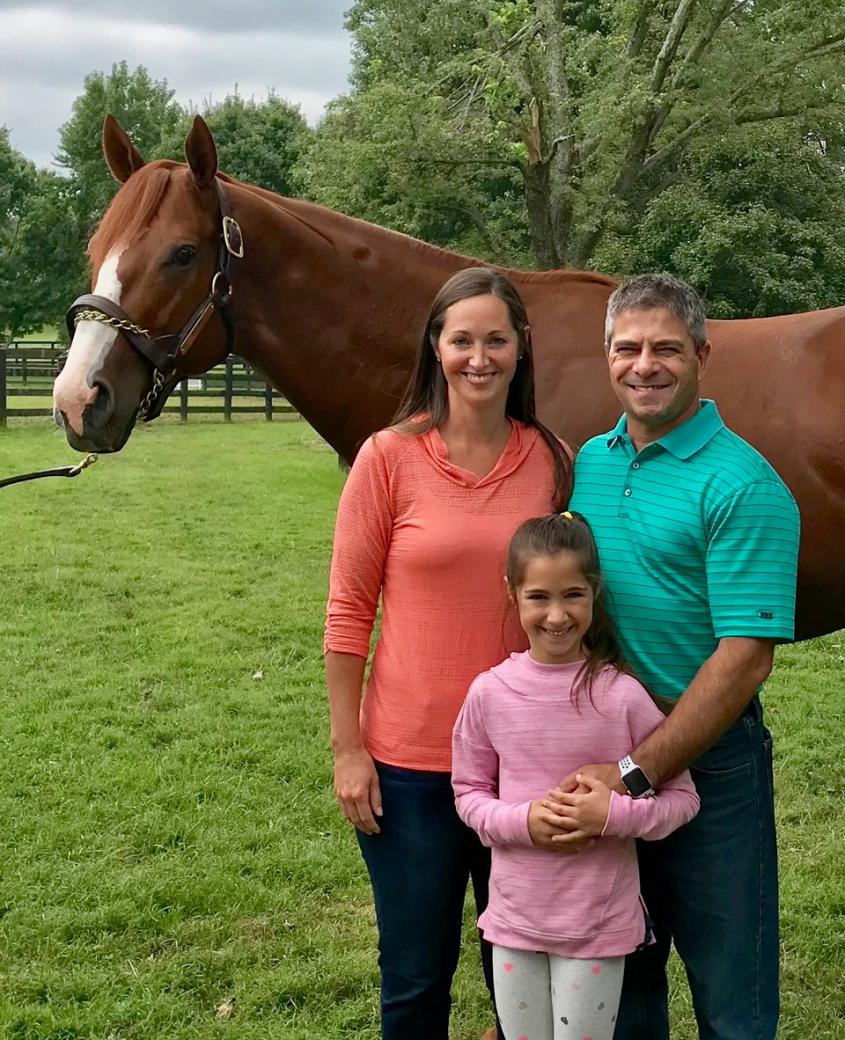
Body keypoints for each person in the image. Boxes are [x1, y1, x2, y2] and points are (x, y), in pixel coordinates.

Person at [324, 267, 574, 1040]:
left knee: (524, 983)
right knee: (414, 979)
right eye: (460, 338)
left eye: (495, 339)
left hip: (525, 767)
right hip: (410, 771)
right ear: (435, 347)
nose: (478, 356)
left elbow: (576, 598)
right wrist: (348, 750)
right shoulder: (387, 458)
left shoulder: (553, 460)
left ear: (519, 349)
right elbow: (346, 614)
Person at [561, 273, 800, 1040]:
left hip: (707, 761)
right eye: (626, 348)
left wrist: (639, 772)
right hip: (602, 753)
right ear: (605, 357)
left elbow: (744, 658)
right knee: (623, 986)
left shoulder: (743, 483)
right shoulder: (590, 464)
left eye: (666, 348)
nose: (644, 365)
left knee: (730, 994)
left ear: (701, 354)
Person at [452, 511, 700, 1040]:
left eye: (573, 595)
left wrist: (614, 814)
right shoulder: (489, 694)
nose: (558, 615)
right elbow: (469, 795)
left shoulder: (623, 696)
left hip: (597, 928)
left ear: (595, 592)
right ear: (512, 593)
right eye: (539, 597)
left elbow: (682, 799)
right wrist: (524, 822)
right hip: (514, 924)